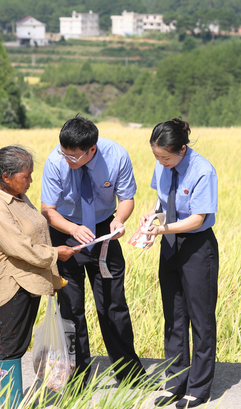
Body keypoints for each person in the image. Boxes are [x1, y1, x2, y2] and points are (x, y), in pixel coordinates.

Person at [40, 117, 151, 388]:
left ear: (92, 149)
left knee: (113, 305)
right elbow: (47, 209)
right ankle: (76, 379)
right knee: (71, 309)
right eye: (64, 152)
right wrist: (73, 229)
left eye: (74, 156)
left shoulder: (116, 156)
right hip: (65, 231)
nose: (67, 159)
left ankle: (129, 375)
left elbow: (126, 199)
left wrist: (119, 220)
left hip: (104, 231)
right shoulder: (55, 161)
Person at [0, 145, 77, 409]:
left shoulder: (18, 196)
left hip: (30, 280)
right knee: (11, 343)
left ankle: (6, 400)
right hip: (13, 283)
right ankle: (5, 403)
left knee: (15, 340)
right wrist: (56, 254)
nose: (31, 180)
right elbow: (20, 248)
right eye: (26, 176)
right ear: (6, 177)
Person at [140, 118, 219, 409]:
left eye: (166, 157)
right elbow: (161, 202)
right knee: (173, 316)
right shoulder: (162, 164)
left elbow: (197, 219)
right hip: (170, 242)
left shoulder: (202, 171)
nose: (161, 162)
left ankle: (198, 388)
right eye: (156, 156)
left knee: (200, 317)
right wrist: (150, 219)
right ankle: (175, 381)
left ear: (182, 150)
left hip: (197, 246)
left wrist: (162, 229)